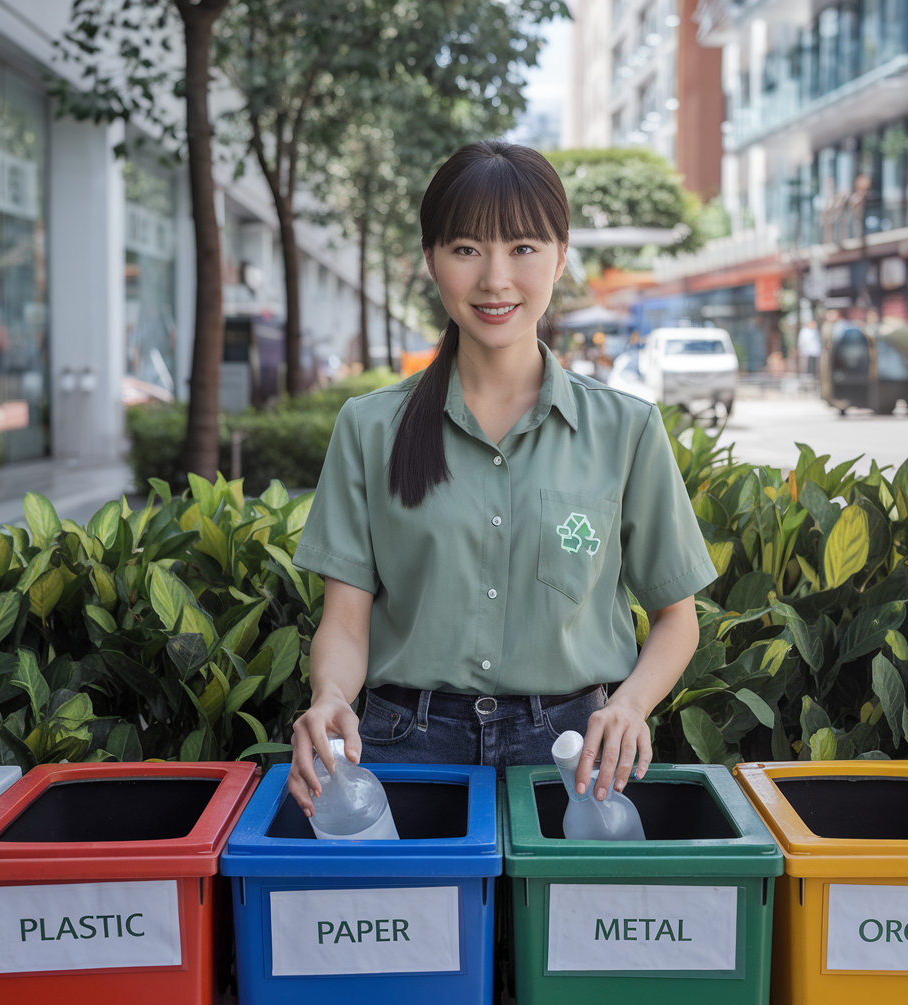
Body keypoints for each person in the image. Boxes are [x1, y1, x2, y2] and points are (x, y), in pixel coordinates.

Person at [287, 141, 717, 815]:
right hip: (403, 747)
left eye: (522, 248)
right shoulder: (370, 429)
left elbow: (676, 618)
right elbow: (345, 624)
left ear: (560, 255)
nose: (494, 279)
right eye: (465, 249)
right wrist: (330, 700)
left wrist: (631, 705)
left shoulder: (625, 429)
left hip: (575, 752)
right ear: (431, 259)